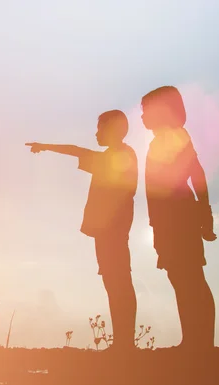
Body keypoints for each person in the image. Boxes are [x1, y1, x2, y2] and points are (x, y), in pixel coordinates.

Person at [26, 110, 138, 351]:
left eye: (100, 128)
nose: (96, 133)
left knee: (118, 281)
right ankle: (123, 342)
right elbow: (79, 151)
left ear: (112, 130)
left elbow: (77, 151)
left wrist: (45, 146)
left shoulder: (121, 156)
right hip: (108, 229)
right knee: (113, 280)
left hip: (112, 230)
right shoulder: (116, 155)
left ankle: (125, 343)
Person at [140, 85, 217, 350]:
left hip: (179, 217)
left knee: (191, 277)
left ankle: (202, 342)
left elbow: (197, 174)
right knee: (180, 277)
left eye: (145, 110)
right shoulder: (159, 141)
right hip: (167, 219)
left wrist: (205, 213)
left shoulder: (176, 136)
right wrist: (155, 224)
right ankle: (193, 340)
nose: (141, 117)